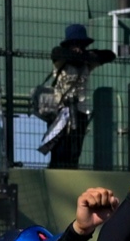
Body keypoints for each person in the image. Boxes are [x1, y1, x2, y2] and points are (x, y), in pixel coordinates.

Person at [38, 25, 118, 169]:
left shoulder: (87, 62)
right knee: (59, 149)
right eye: (75, 44)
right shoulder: (61, 60)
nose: (78, 48)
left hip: (80, 111)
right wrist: (82, 56)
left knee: (75, 149)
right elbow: (57, 53)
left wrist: (86, 56)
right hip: (60, 112)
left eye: (81, 45)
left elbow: (109, 55)